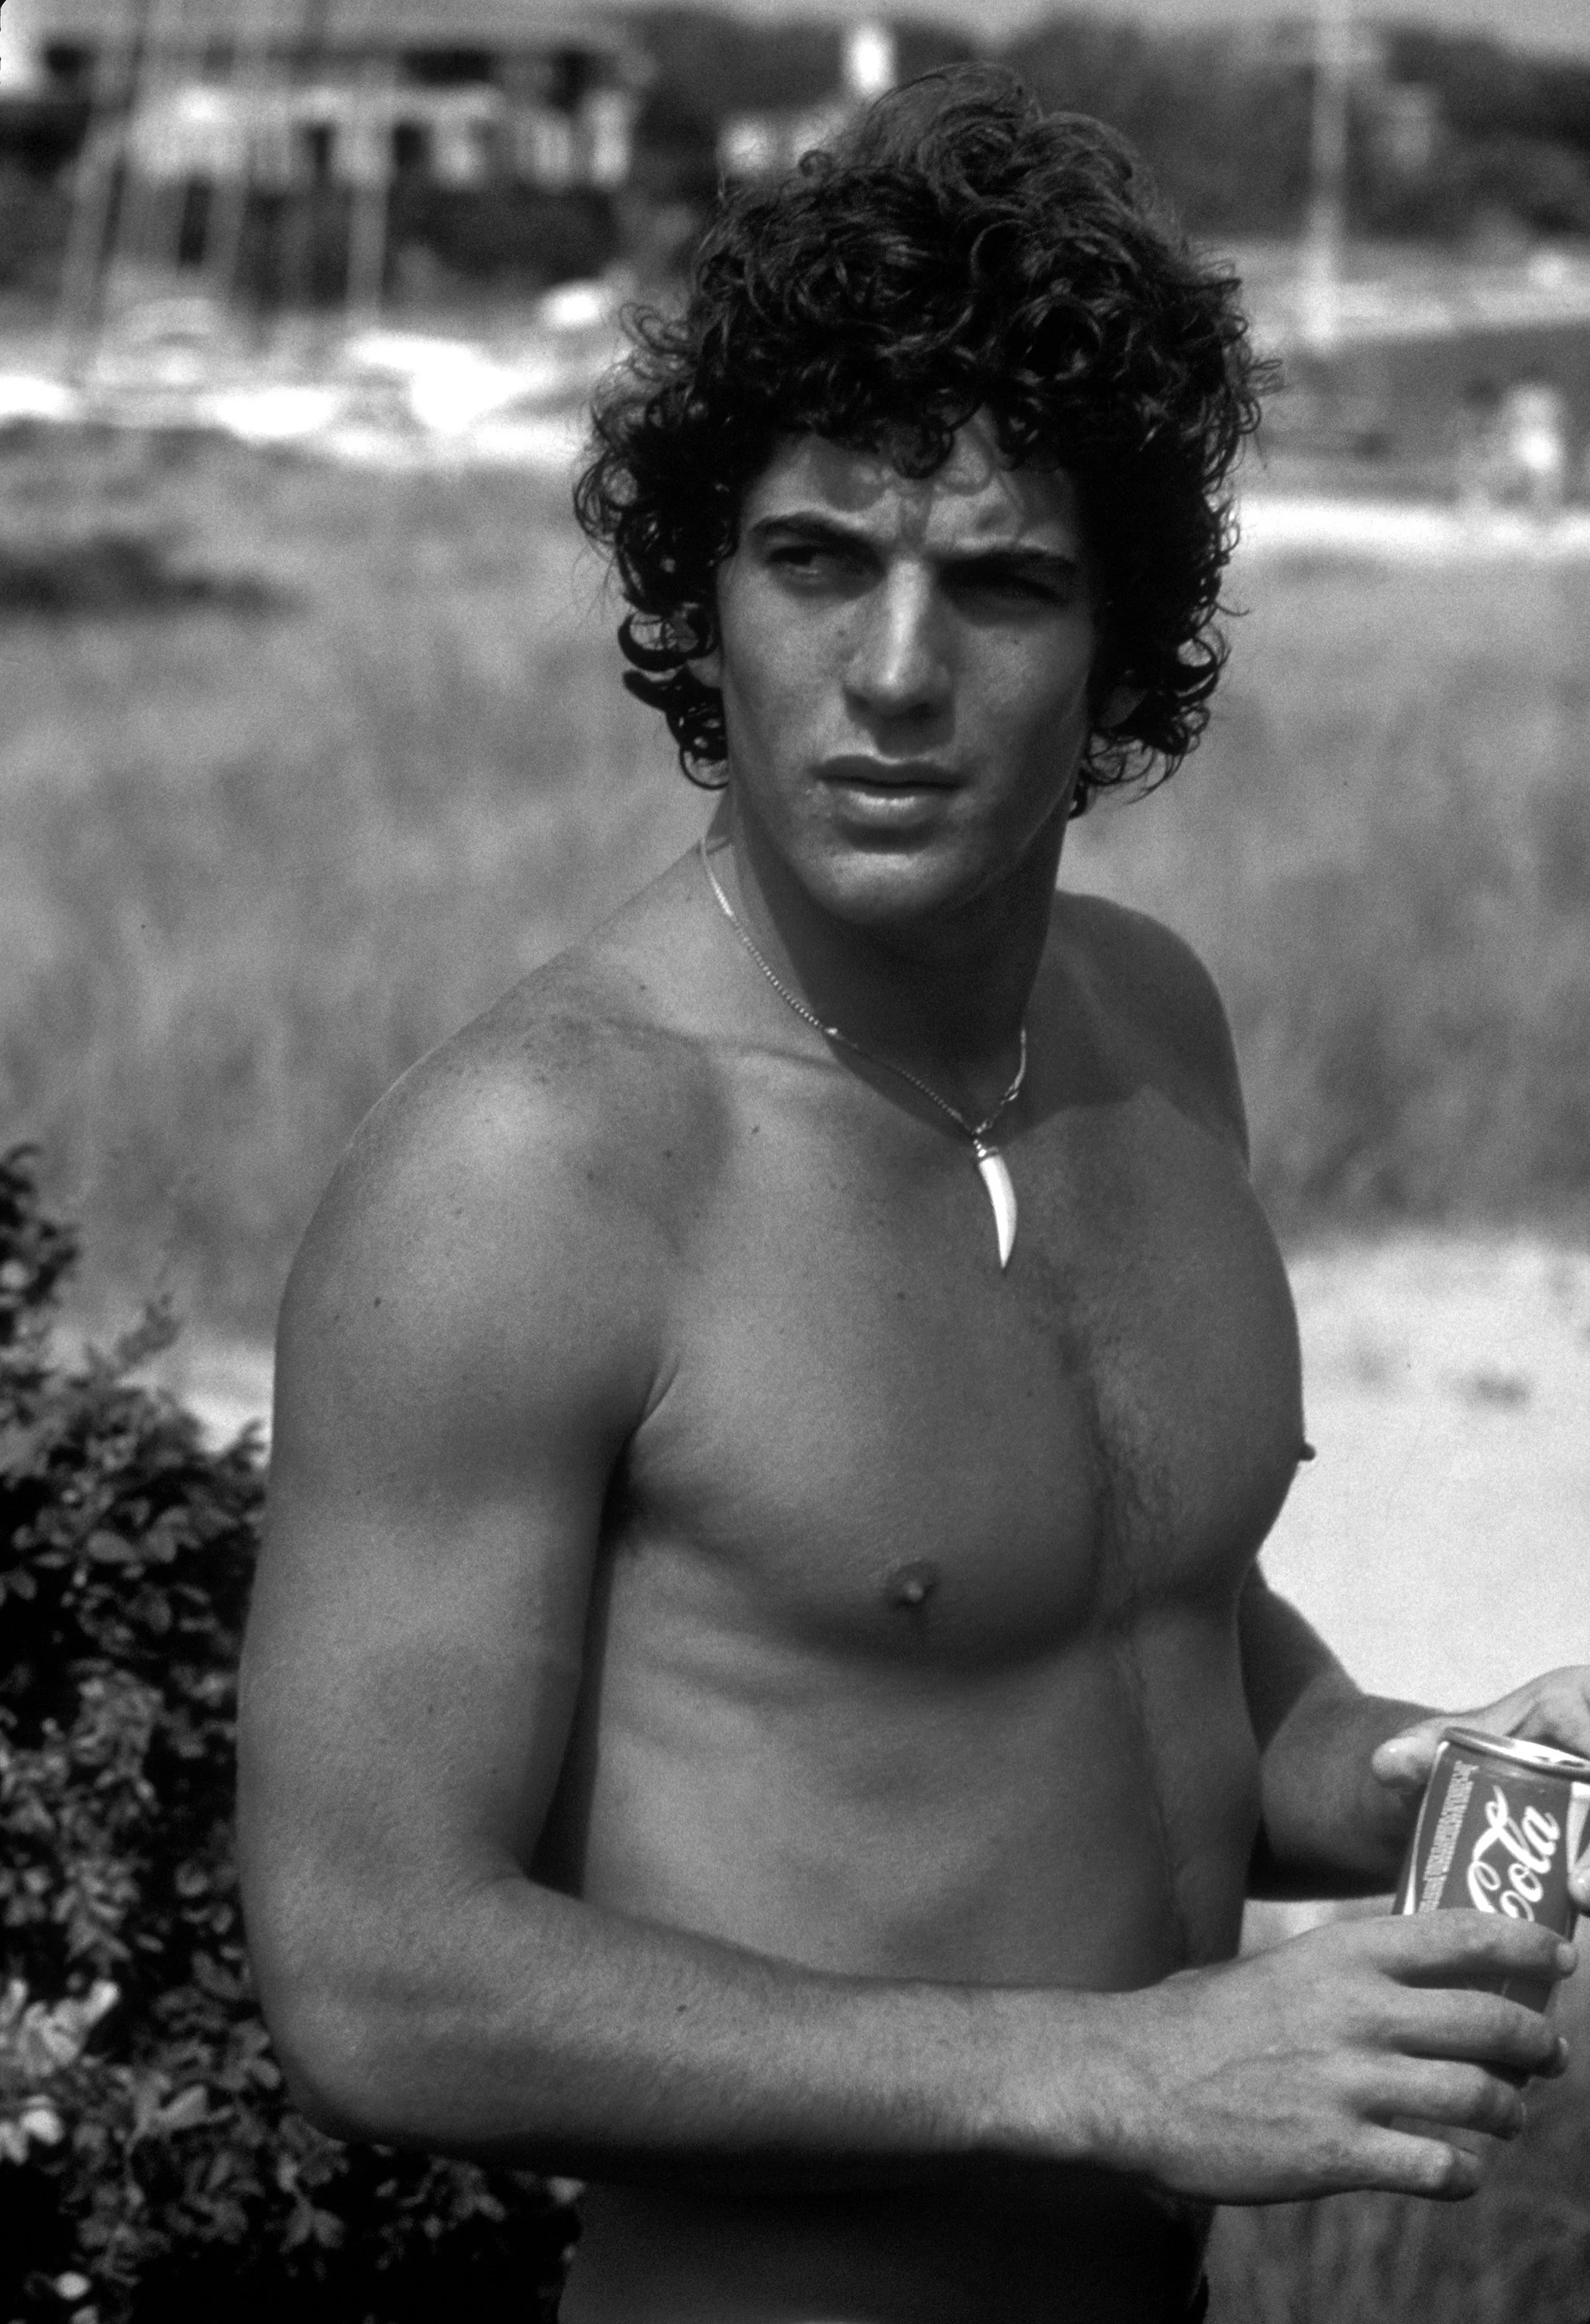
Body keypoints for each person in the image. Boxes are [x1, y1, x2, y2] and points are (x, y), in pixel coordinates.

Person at [237, 70, 1590, 2324]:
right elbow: (371, 1970)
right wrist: (1106, 2075)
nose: (890, 674)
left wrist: (1436, 1773)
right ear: (702, 594)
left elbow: (1125, 1645)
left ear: (1120, 648)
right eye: (812, 562)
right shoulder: (537, 1169)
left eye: (1000, 584)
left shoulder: (1148, 1034)